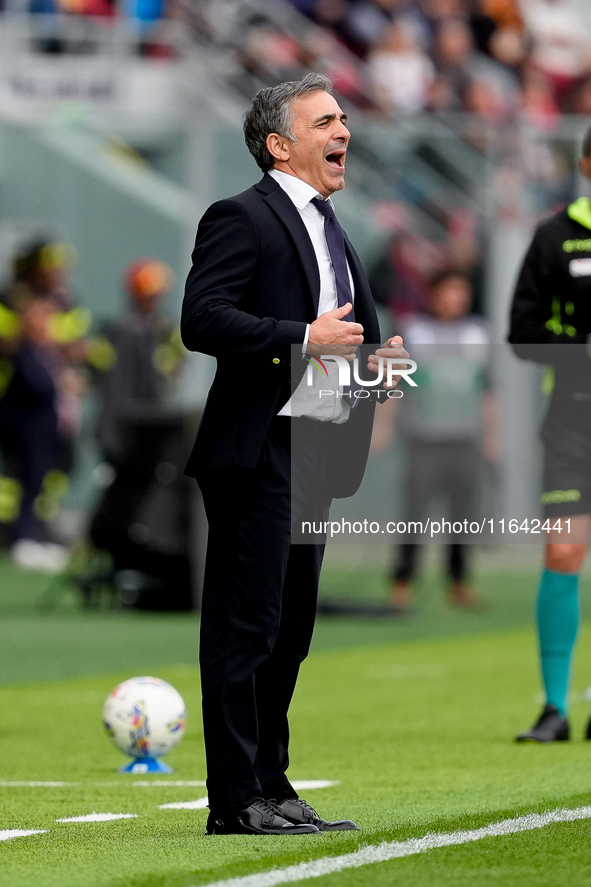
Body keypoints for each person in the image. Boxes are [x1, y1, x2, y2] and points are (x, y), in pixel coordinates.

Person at [181, 72, 405, 835]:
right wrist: (302, 337)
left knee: (290, 625)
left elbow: (351, 337)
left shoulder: (333, 225)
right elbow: (202, 318)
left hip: (314, 446)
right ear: (281, 144)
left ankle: (270, 784)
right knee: (246, 623)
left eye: (343, 117)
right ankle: (234, 799)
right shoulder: (240, 216)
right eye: (326, 120)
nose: (344, 129)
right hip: (259, 443)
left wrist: (378, 362)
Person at [509, 124, 591, 742]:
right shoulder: (553, 235)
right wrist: (578, 351)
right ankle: (555, 708)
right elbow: (522, 328)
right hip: (569, 417)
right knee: (564, 551)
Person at [373, 268, 495, 610]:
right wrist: (382, 427)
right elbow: (392, 382)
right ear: (435, 293)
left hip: (465, 440)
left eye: (462, 291)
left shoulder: (479, 333)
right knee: (414, 514)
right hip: (425, 440)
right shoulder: (413, 331)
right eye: (450, 290)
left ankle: (458, 584)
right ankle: (402, 583)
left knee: (463, 517)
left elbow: (488, 389)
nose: (457, 298)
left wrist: (491, 436)